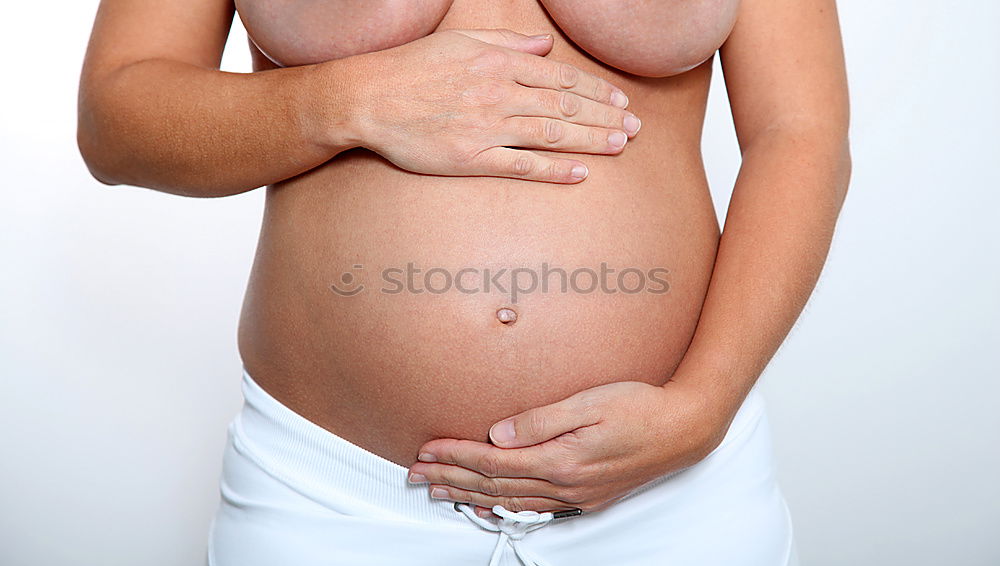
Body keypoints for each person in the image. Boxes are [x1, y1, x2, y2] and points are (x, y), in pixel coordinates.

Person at [77, 1, 851, 564]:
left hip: (670, 492)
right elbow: (117, 118)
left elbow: (801, 133)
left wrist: (702, 408)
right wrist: (344, 101)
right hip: (334, 501)